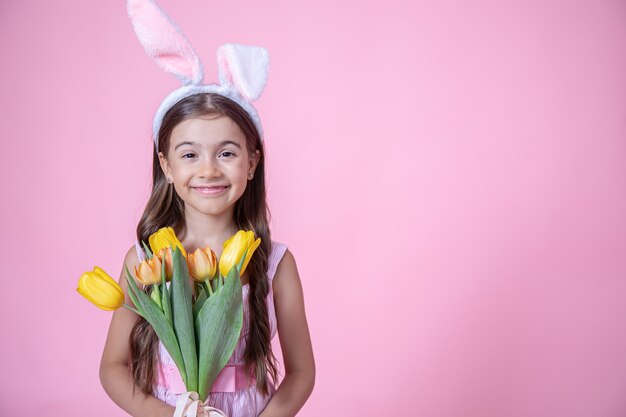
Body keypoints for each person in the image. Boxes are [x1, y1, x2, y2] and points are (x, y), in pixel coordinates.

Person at [98, 3, 315, 416]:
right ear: (166, 164)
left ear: (252, 163)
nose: (209, 170)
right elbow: (112, 367)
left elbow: (302, 372)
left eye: (227, 152)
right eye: (190, 154)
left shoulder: (274, 265)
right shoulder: (146, 261)